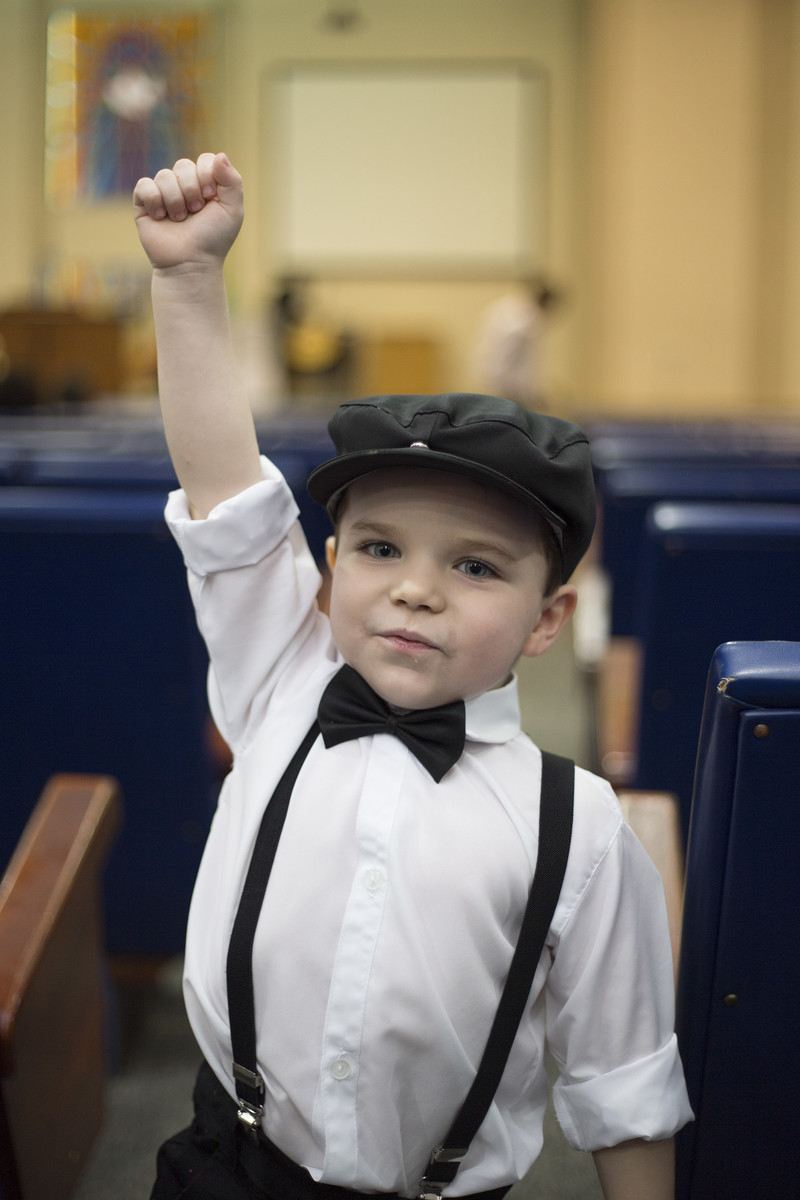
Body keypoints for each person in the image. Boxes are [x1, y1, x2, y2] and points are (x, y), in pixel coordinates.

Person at [133, 153, 692, 1200]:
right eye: (381, 549)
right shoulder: (280, 682)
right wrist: (188, 279)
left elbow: (625, 1086)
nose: (415, 591)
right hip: (227, 1167)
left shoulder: (577, 828)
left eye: (475, 567)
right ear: (331, 569)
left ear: (547, 618)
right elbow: (226, 495)